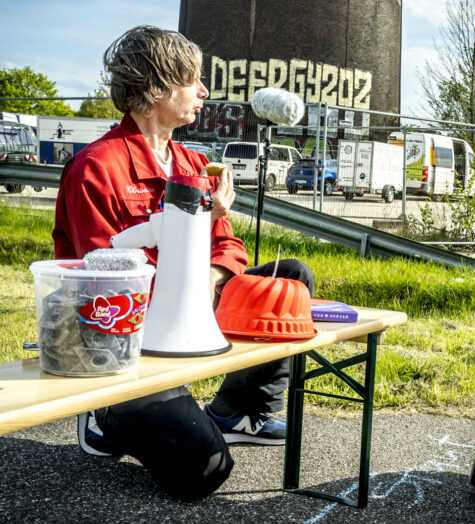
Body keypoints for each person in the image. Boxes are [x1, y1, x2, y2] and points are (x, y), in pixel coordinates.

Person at [52, 25, 314, 499]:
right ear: (154, 88)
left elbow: (230, 250)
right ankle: (103, 414)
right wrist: (193, 232)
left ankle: (239, 410)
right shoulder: (97, 167)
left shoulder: (194, 162)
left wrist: (207, 276)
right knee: (205, 472)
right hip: (122, 337)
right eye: (194, 79)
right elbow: (106, 282)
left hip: (188, 309)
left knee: (290, 277)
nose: (205, 91)